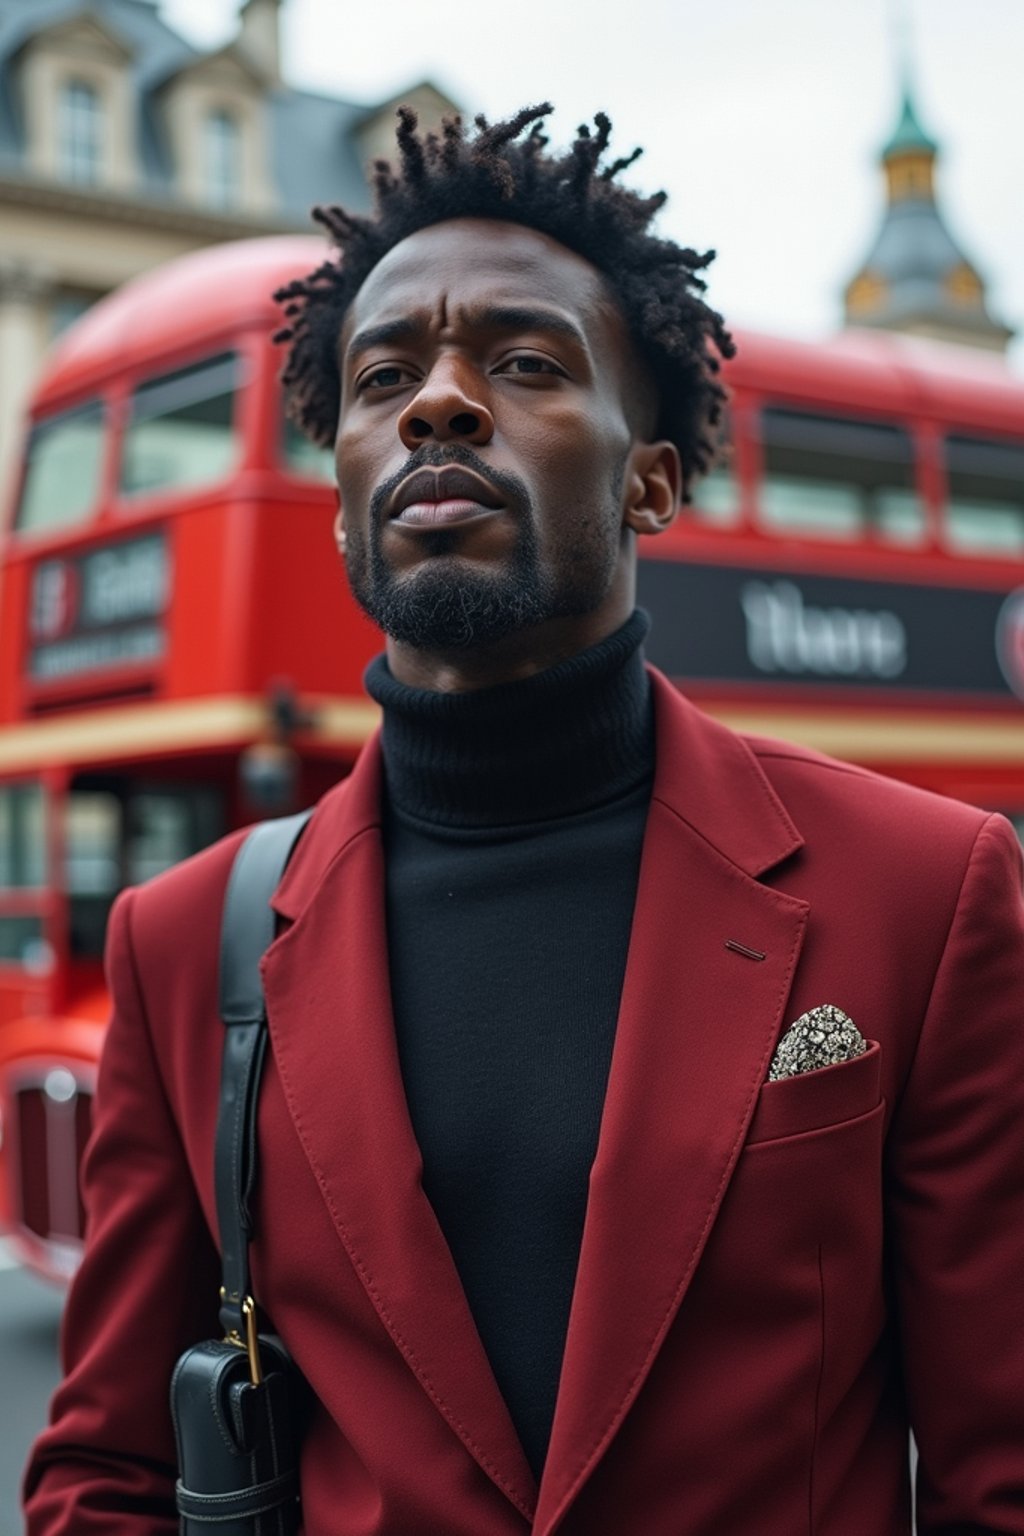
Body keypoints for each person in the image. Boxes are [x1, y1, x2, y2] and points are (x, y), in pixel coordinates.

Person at [24, 104, 1024, 1536]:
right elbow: (105, 1475)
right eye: (385, 377)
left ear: (653, 479)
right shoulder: (183, 945)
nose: (440, 401)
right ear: (341, 502)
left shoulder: (922, 893)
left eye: (526, 362)